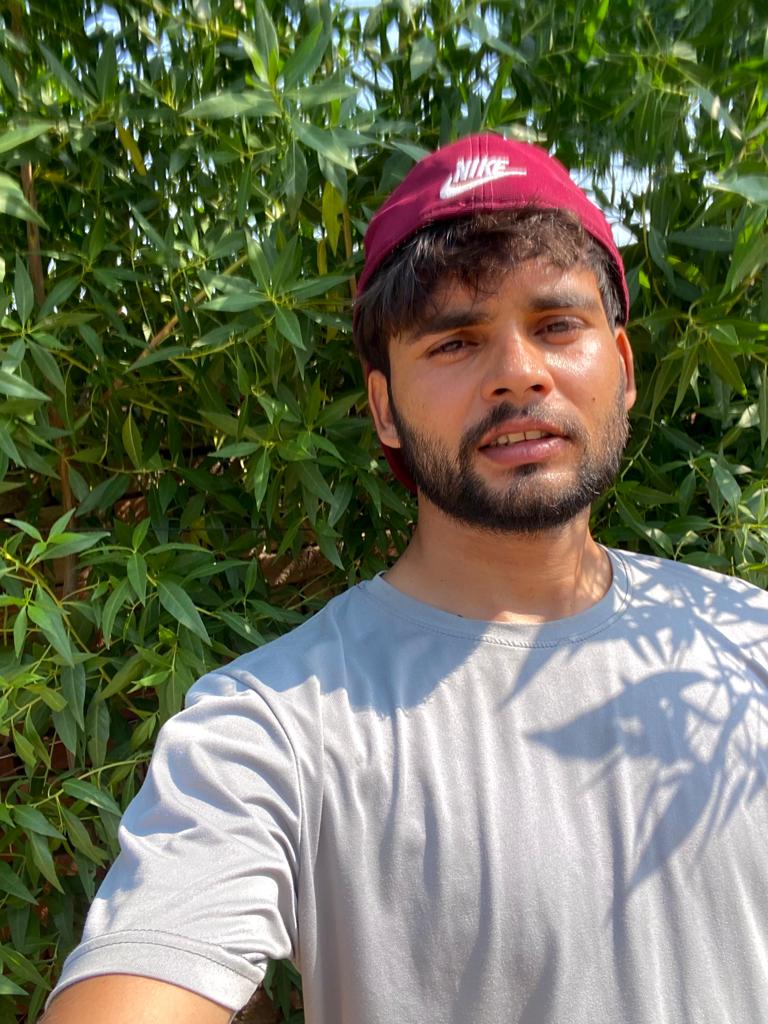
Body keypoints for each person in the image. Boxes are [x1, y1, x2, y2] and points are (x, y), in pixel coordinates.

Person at [44, 134, 768, 1024]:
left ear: (622, 369)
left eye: (556, 326)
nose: (518, 373)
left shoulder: (749, 638)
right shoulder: (276, 728)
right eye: (455, 341)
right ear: (384, 408)